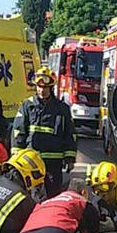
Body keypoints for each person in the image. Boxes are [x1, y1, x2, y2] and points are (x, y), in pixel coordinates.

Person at [12, 66, 77, 197]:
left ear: (51, 88)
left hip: (54, 162)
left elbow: (70, 134)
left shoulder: (62, 109)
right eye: (39, 87)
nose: (42, 90)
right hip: (31, 162)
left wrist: (70, 158)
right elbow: (18, 132)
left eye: (45, 88)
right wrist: (16, 158)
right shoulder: (27, 106)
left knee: (53, 195)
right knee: (32, 195)